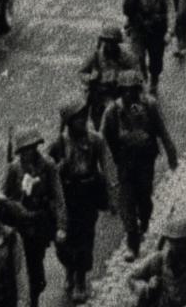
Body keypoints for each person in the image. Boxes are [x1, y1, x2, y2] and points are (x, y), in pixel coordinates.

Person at [100, 71, 177, 262]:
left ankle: (144, 221)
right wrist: (107, 170)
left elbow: (162, 130)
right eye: (125, 91)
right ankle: (132, 244)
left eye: (133, 90)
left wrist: (171, 154)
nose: (129, 95)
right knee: (126, 203)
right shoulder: (112, 112)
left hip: (145, 162)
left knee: (144, 199)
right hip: (124, 165)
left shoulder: (149, 105)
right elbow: (102, 142)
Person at [48, 98, 116, 304]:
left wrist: (112, 196)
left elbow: (107, 167)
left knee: (85, 239)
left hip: (87, 195)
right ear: (68, 122)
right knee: (63, 242)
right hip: (65, 197)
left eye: (83, 117)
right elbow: (47, 172)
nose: (82, 122)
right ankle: (69, 268)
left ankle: (80, 280)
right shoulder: (58, 145)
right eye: (77, 119)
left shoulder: (95, 140)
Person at [1, 129, 67, 307]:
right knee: (20, 268)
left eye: (31, 148)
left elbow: (58, 196)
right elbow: (3, 198)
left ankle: (34, 299)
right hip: (19, 225)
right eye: (24, 149)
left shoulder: (48, 165)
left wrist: (61, 226)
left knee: (36, 269)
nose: (28, 153)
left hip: (39, 224)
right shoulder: (14, 168)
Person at [126, 215, 186, 307]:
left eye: (182, 241)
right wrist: (147, 288)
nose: (177, 246)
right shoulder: (158, 260)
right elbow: (132, 278)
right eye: (173, 241)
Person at [124, 0, 173, 95]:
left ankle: (154, 80)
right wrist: (128, 23)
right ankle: (142, 81)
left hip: (157, 30)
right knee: (137, 57)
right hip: (138, 30)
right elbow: (129, 10)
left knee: (156, 59)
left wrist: (169, 31)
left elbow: (170, 11)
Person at [79, 24, 138, 130]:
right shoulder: (96, 56)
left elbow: (137, 72)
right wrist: (91, 77)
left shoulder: (126, 56)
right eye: (107, 42)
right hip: (100, 96)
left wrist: (123, 77)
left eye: (113, 42)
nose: (110, 45)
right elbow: (82, 73)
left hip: (121, 93)